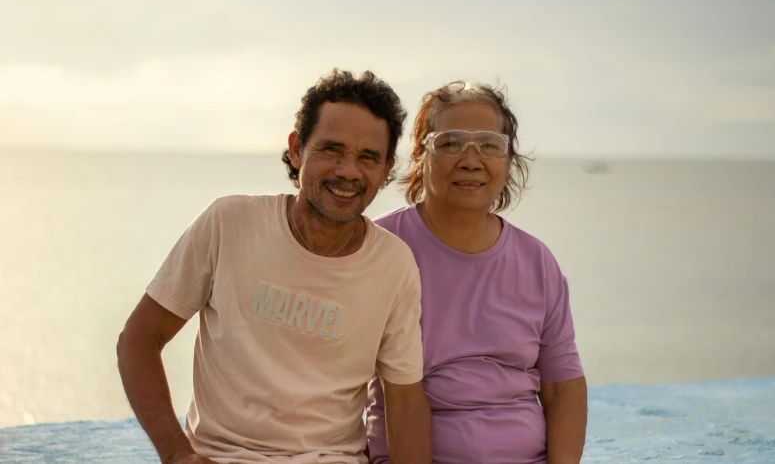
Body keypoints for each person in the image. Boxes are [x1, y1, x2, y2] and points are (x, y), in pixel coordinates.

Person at [117, 69, 432, 464]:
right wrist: (177, 453)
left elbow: (404, 403)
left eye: (368, 157)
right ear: (297, 149)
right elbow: (139, 338)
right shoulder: (230, 223)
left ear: (386, 170)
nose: (348, 171)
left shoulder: (394, 264)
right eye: (332, 150)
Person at [366, 81, 587, 464]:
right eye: (450, 143)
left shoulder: (536, 261)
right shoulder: (378, 247)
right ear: (420, 154)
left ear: (508, 158)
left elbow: (563, 387)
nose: (471, 160)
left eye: (489, 145)